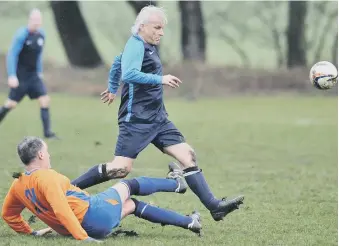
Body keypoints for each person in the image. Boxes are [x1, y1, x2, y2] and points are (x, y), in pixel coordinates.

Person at [72, 5, 244, 222]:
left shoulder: (148, 44)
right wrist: (159, 79)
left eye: (163, 28)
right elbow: (130, 72)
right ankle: (68, 189)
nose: (161, 32)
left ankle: (214, 207)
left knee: (187, 155)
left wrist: (113, 87)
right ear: (142, 27)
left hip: (158, 118)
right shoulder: (136, 45)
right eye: (157, 27)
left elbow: (117, 63)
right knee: (120, 169)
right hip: (136, 119)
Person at [1, 136, 202, 242]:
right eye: (47, 151)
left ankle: (190, 223)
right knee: (128, 185)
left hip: (83, 227)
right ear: (41, 155)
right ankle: (177, 183)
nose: (49, 154)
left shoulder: (18, 184)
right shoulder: (48, 177)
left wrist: (29, 233)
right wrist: (83, 238)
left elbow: (8, 215)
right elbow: (62, 209)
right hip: (93, 215)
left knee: (131, 205)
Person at [0, 9, 58, 139]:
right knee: (11, 104)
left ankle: (48, 133)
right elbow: (12, 55)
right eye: (34, 20)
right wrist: (12, 75)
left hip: (33, 76)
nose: (36, 23)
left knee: (45, 100)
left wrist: (39, 71)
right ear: (29, 20)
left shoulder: (41, 35)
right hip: (21, 76)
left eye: (39, 20)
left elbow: (38, 56)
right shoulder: (22, 35)